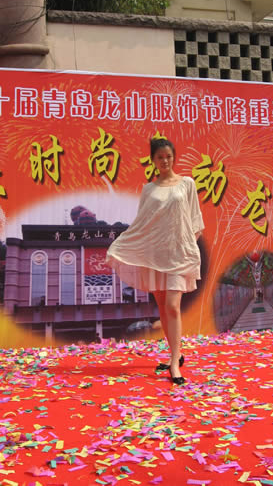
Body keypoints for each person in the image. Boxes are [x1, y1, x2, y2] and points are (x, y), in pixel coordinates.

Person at [106, 137, 204, 385]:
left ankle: (175, 364)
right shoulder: (148, 189)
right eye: (160, 157)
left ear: (174, 157)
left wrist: (189, 247)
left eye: (168, 156)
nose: (164, 161)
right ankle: (175, 355)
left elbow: (195, 219)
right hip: (155, 255)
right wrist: (122, 245)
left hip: (178, 254)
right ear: (153, 160)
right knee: (162, 306)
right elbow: (142, 224)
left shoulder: (187, 184)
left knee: (172, 306)